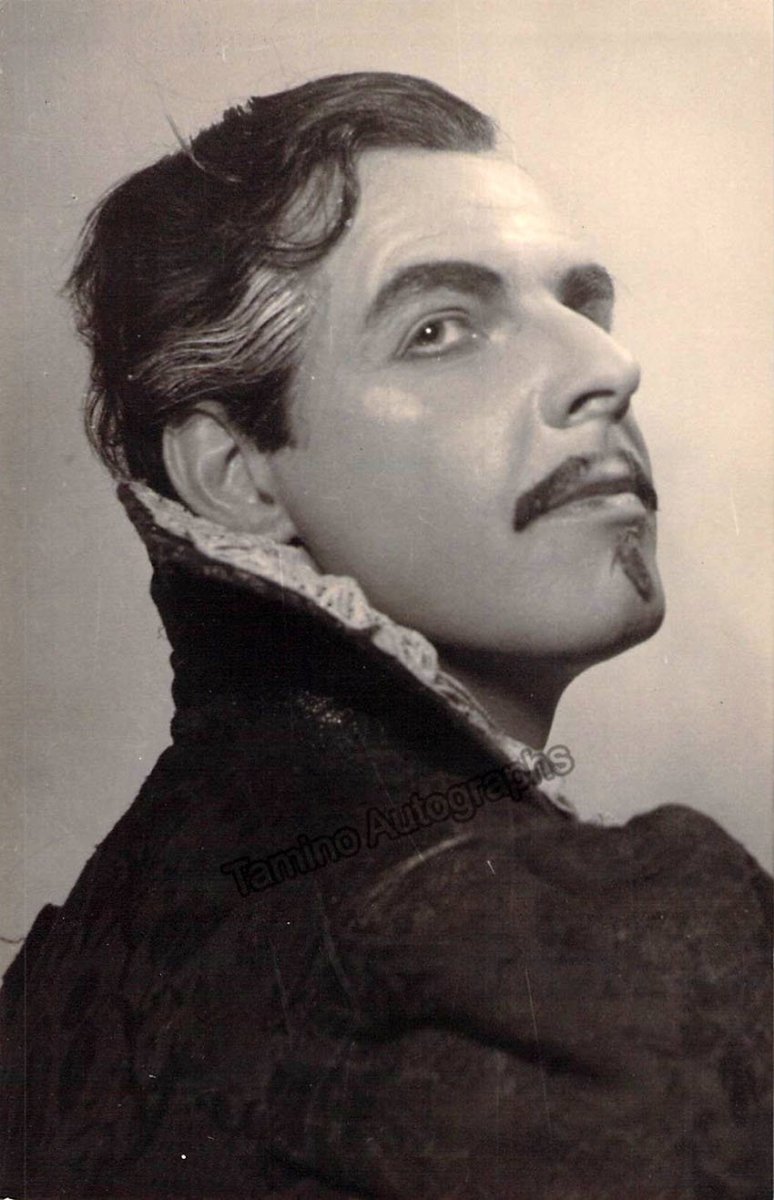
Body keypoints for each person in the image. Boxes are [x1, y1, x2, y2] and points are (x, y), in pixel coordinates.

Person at [1, 72, 770, 1199]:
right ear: (236, 476)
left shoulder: (81, 964)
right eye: (440, 329)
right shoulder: (550, 951)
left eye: (583, 309)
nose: (607, 370)